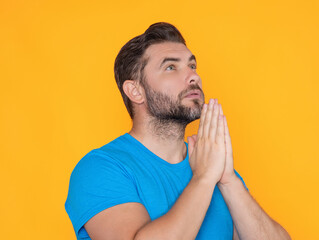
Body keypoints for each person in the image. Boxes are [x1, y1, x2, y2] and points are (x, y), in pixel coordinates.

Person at [65, 22, 291, 240]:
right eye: (171, 67)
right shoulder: (100, 168)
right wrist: (203, 179)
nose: (194, 76)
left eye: (192, 66)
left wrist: (228, 180)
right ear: (135, 91)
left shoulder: (211, 164)